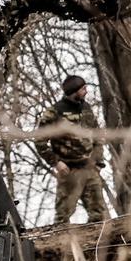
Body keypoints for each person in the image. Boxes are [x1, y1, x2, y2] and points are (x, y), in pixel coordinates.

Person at [37, 73, 109, 225]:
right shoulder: (54, 112)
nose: (86, 91)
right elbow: (40, 141)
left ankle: (98, 247)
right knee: (62, 218)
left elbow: (97, 136)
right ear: (73, 91)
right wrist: (56, 163)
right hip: (68, 171)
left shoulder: (86, 108)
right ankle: (61, 247)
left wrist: (98, 162)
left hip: (89, 169)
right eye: (83, 88)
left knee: (98, 216)